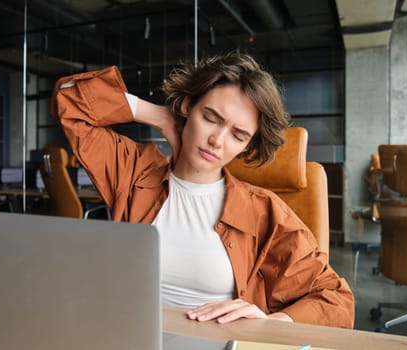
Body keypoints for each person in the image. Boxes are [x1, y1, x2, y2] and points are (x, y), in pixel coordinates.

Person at [51, 52, 354, 328]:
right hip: (127, 335)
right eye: (210, 118)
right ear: (187, 107)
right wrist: (158, 115)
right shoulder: (133, 171)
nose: (218, 141)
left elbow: (337, 301)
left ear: (247, 145)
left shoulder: (264, 211)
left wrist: (275, 321)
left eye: (238, 135)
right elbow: (68, 98)